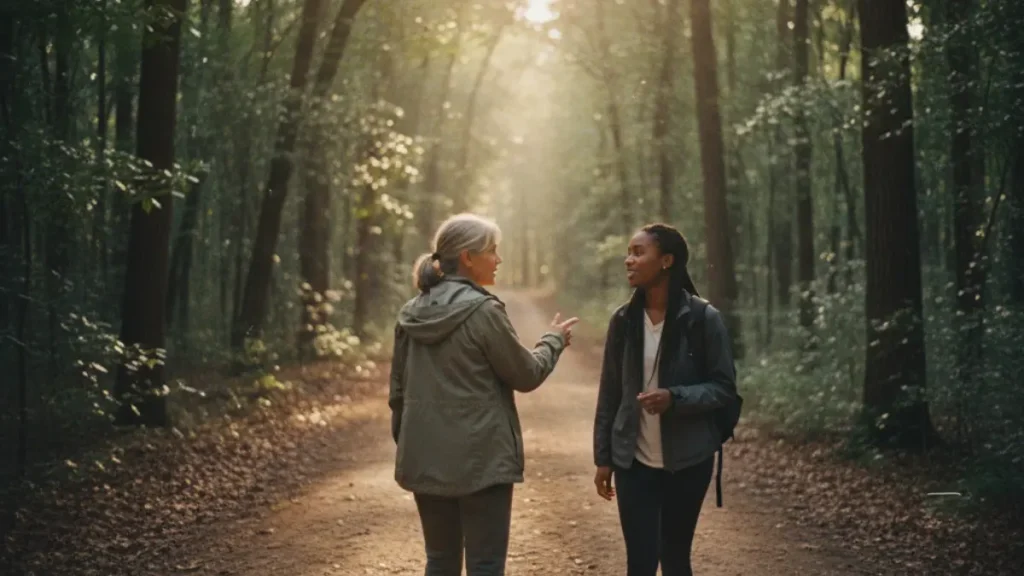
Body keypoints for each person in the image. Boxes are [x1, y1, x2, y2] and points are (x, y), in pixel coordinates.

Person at [389, 212, 578, 576]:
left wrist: (411, 445)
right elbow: (526, 374)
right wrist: (553, 340)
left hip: (424, 454)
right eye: (492, 250)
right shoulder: (483, 311)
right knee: (486, 564)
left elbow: (397, 392)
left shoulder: (409, 313)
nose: (499, 259)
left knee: (439, 561)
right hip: (483, 460)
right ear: (467, 257)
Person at [592, 223, 738, 576]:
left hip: (688, 462)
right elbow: (610, 392)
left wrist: (675, 397)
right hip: (634, 461)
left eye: (639, 252)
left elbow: (723, 388)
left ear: (667, 261)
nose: (629, 260)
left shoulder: (704, 319)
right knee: (639, 563)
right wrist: (604, 457)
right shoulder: (623, 320)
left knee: (675, 559)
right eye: (628, 252)